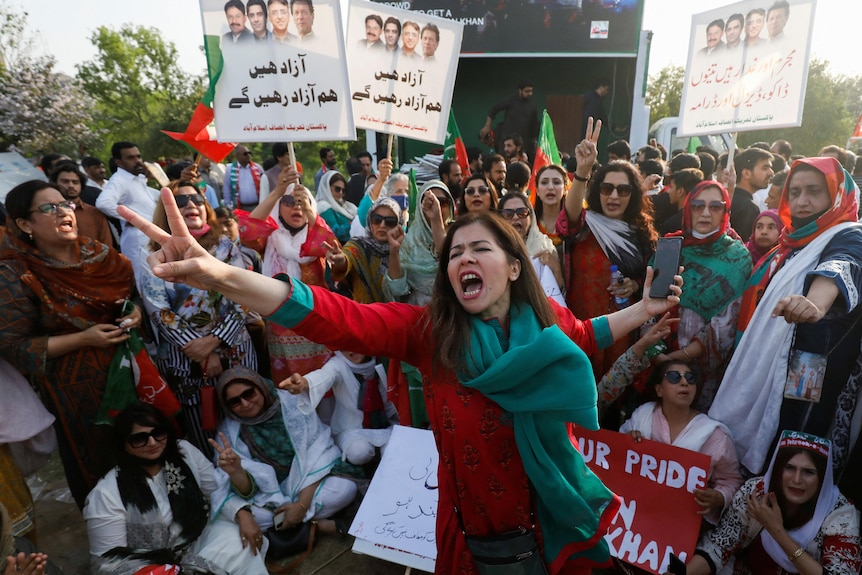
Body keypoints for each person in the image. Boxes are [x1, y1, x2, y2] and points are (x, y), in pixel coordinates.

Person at [118, 183, 685, 574]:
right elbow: (336, 316)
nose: (463, 257)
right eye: (454, 251)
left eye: (480, 248)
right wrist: (222, 274)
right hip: (478, 539)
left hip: (554, 515)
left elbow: (584, 334)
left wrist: (642, 311)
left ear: (514, 267)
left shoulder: (547, 326)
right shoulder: (428, 333)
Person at [709, 157, 862, 504]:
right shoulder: (793, 243)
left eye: (814, 191)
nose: (803, 200)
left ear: (837, 195)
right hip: (776, 360)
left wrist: (815, 304)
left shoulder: (849, 234)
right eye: (795, 192)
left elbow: (840, 267)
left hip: (812, 367)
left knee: (796, 445)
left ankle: (782, 526)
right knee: (766, 440)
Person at [0, 180, 141, 509]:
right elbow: (13, 347)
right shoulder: (15, 274)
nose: (64, 211)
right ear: (24, 224)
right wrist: (83, 338)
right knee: (102, 464)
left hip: (131, 370)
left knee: (147, 440)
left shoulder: (101, 256)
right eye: (49, 208)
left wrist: (135, 312)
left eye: (65, 204)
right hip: (74, 393)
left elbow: (131, 296)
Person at [141, 181, 258, 455]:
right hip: (188, 362)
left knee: (249, 412)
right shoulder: (154, 255)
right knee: (205, 430)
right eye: (181, 202)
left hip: (237, 352)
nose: (191, 205)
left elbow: (244, 296)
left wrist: (215, 340)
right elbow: (158, 310)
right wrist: (202, 352)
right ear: (167, 212)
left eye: (196, 199)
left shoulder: (227, 248)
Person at [83, 404, 268, 575]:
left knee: (242, 542)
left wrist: (241, 512)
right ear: (123, 444)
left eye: (158, 433)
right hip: (152, 567)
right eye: (139, 439)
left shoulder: (184, 452)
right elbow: (106, 563)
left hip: (195, 542)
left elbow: (214, 492)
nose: (153, 443)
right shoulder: (106, 494)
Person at [558, 120, 657, 380]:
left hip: (623, 330)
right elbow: (568, 219)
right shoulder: (584, 225)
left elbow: (650, 276)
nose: (614, 196)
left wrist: (635, 286)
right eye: (607, 188)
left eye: (623, 189)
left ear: (633, 194)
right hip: (581, 327)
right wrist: (582, 170)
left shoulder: (641, 233)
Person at [686, 431, 861, 575]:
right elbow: (719, 545)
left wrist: (776, 531)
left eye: (809, 472)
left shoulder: (840, 514)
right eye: (790, 468)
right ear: (777, 469)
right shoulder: (756, 492)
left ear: (822, 478)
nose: (797, 479)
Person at [210, 367, 357, 538]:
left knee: (345, 490)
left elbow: (319, 455)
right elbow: (246, 490)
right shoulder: (228, 431)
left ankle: (291, 525)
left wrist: (301, 505)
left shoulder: (293, 403)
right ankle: (316, 526)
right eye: (235, 402)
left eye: (249, 394)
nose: (245, 404)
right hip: (269, 497)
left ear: (261, 387)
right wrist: (236, 471)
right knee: (253, 518)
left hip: (308, 485)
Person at [658, 181, 752, 411]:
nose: (706, 213)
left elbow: (726, 323)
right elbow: (651, 303)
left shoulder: (738, 256)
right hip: (659, 357)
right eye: (698, 206)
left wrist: (683, 355)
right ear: (688, 209)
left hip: (704, 369)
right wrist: (656, 354)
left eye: (716, 206)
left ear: (726, 211)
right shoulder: (670, 246)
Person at [620, 360, 742, 526]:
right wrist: (627, 441)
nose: (684, 382)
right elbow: (616, 456)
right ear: (659, 389)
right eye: (674, 377)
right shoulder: (642, 416)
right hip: (632, 519)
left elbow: (732, 480)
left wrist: (719, 497)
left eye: (690, 378)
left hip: (680, 526)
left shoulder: (714, 435)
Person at [248, 176, 336, 383]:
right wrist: (277, 191)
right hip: (280, 326)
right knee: (289, 388)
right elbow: (248, 231)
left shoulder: (316, 236)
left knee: (321, 385)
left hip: (316, 322)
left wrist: (310, 212)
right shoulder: (270, 238)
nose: (296, 206)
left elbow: (331, 244)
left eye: (302, 201)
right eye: (288, 202)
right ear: (278, 207)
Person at [282, 349, 399, 465]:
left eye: (353, 344)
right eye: (343, 347)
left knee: (393, 451)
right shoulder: (337, 364)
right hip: (351, 429)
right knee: (359, 452)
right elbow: (323, 376)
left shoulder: (384, 359)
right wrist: (304, 382)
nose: (350, 351)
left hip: (387, 425)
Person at [95, 141, 160, 288]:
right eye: (131, 158)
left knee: (157, 279)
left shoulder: (137, 178)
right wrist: (129, 217)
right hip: (137, 241)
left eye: (138, 156)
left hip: (150, 237)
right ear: (119, 162)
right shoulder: (119, 180)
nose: (137, 161)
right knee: (143, 281)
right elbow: (103, 203)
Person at [327, 197, 402, 304]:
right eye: (376, 219)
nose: (382, 225)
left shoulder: (406, 250)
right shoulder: (359, 246)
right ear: (369, 221)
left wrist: (394, 251)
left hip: (396, 315)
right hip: (363, 314)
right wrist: (341, 261)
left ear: (399, 225)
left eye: (390, 222)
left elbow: (400, 289)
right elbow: (348, 256)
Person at [498, 192, 564, 306]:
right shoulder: (493, 250)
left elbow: (558, 294)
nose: (515, 217)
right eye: (508, 214)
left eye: (522, 212)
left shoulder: (545, 246)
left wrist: (557, 270)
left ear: (531, 217)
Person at [48, 162, 114, 248]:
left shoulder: (94, 213)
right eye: (65, 181)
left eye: (75, 182)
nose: (71, 186)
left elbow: (107, 246)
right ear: (55, 183)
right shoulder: (48, 213)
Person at [479, 81, 539, 157]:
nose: (529, 94)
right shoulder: (511, 100)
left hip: (522, 141)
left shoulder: (532, 105)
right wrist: (487, 126)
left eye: (531, 91)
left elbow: (534, 126)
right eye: (527, 91)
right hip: (506, 138)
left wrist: (535, 141)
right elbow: (494, 109)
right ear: (520, 91)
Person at [223, 145, 269, 211]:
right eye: (245, 154)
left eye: (249, 153)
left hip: (258, 206)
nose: (248, 155)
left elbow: (265, 186)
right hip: (240, 208)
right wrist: (228, 206)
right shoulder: (230, 170)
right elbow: (226, 189)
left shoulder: (258, 168)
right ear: (237, 156)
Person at [315, 171, 356, 245]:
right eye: (337, 189)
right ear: (327, 187)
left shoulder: (345, 205)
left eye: (343, 190)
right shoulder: (323, 207)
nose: (340, 193)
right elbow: (336, 233)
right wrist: (354, 223)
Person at [534, 164, 568, 245]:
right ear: (537, 190)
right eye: (544, 182)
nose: (550, 187)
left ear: (565, 189)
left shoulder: (575, 223)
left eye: (556, 182)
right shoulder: (530, 223)